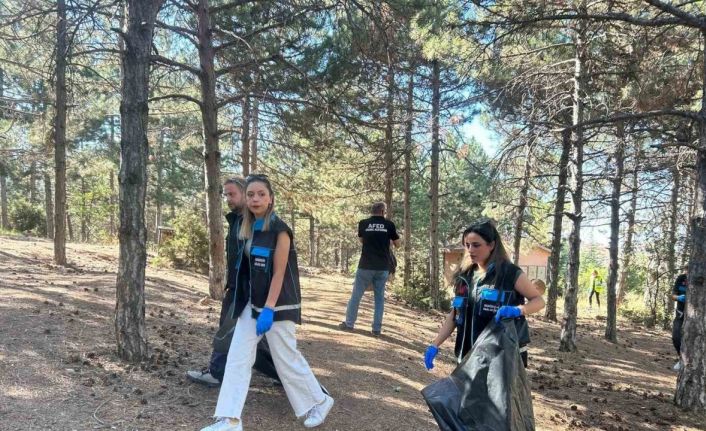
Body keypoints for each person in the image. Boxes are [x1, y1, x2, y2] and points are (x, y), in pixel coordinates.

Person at [201, 174, 333, 431]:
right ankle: (229, 420)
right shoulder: (246, 227)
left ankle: (320, 399)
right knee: (238, 358)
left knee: (286, 358)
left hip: (276, 306)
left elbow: (279, 273)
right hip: (251, 305)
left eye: (261, 194)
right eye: (251, 194)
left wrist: (269, 309)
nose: (255, 199)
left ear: (271, 198)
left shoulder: (279, 230)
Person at [186, 177, 280, 387]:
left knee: (227, 329)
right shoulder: (238, 220)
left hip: (245, 288)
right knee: (258, 339)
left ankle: (217, 373)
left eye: (232, 194)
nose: (228, 198)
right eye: (226, 194)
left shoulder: (255, 223)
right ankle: (286, 376)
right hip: (237, 285)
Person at [423, 220, 545, 371]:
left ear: (492, 245)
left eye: (476, 245)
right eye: (467, 245)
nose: (470, 250)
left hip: (501, 358)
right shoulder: (465, 276)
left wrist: (519, 310)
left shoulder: (510, 273)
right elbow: (455, 314)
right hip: (468, 356)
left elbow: (539, 300)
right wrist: (435, 344)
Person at [339, 202, 400, 336]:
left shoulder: (363, 223)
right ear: (383, 211)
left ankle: (349, 324)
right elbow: (398, 244)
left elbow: (362, 240)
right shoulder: (389, 225)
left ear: (372, 211)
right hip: (382, 267)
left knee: (356, 296)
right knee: (379, 298)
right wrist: (387, 240)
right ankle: (376, 329)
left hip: (365, 265)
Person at [671, 266, 688, 371]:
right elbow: (673, 295)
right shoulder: (681, 278)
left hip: (697, 318)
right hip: (680, 313)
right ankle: (681, 358)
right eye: (687, 270)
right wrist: (678, 298)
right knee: (676, 337)